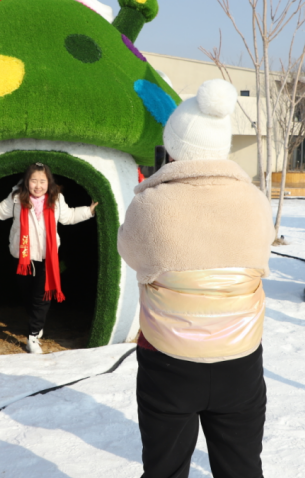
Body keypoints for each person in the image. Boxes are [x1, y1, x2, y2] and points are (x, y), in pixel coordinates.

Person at [117, 79, 274, 478]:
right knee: (241, 469)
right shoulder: (255, 202)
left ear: (172, 145)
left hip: (168, 359)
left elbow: (130, 252)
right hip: (239, 358)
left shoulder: (151, 204)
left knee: (165, 469)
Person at [0, 162, 97, 354]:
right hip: (23, 258)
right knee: (29, 294)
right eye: (34, 181)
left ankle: (32, 337)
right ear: (26, 181)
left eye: (42, 181)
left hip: (48, 257)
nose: (38, 186)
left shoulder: (56, 198)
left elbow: (69, 217)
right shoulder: (16, 197)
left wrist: (89, 211)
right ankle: (36, 324)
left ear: (49, 182)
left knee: (41, 297)